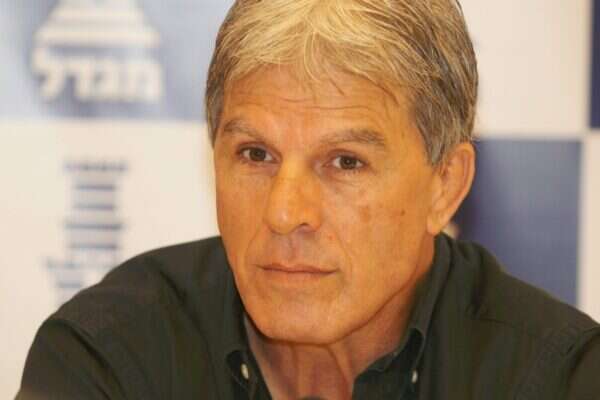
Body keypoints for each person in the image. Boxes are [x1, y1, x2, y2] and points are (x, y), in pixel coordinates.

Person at [17, 1, 600, 399]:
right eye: (256, 155)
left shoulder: (557, 378)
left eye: (345, 162)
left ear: (444, 184)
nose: (284, 212)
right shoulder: (113, 356)